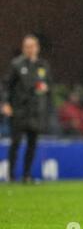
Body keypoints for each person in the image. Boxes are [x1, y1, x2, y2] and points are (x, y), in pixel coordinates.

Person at [2, 35, 52, 183]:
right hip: (19, 110)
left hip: (36, 111)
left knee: (32, 144)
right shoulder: (16, 65)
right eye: (27, 46)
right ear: (24, 48)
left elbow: (49, 87)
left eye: (32, 46)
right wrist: (5, 103)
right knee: (15, 143)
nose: (30, 49)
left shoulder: (43, 66)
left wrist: (46, 90)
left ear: (37, 47)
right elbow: (6, 86)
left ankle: (26, 175)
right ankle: (11, 175)